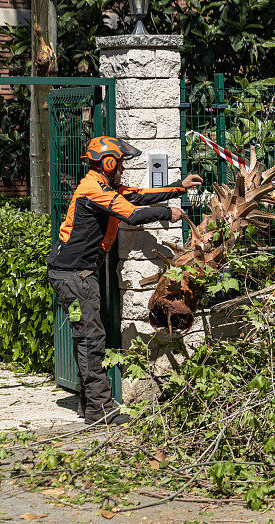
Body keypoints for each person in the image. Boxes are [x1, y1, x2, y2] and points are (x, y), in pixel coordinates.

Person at [46, 136, 203, 425]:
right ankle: (101, 410)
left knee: (86, 337)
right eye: (120, 163)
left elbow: (138, 196)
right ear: (108, 163)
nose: (123, 169)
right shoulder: (93, 190)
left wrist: (179, 188)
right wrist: (169, 213)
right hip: (73, 279)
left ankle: (88, 404)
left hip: (75, 275)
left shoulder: (104, 186)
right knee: (91, 339)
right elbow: (131, 215)